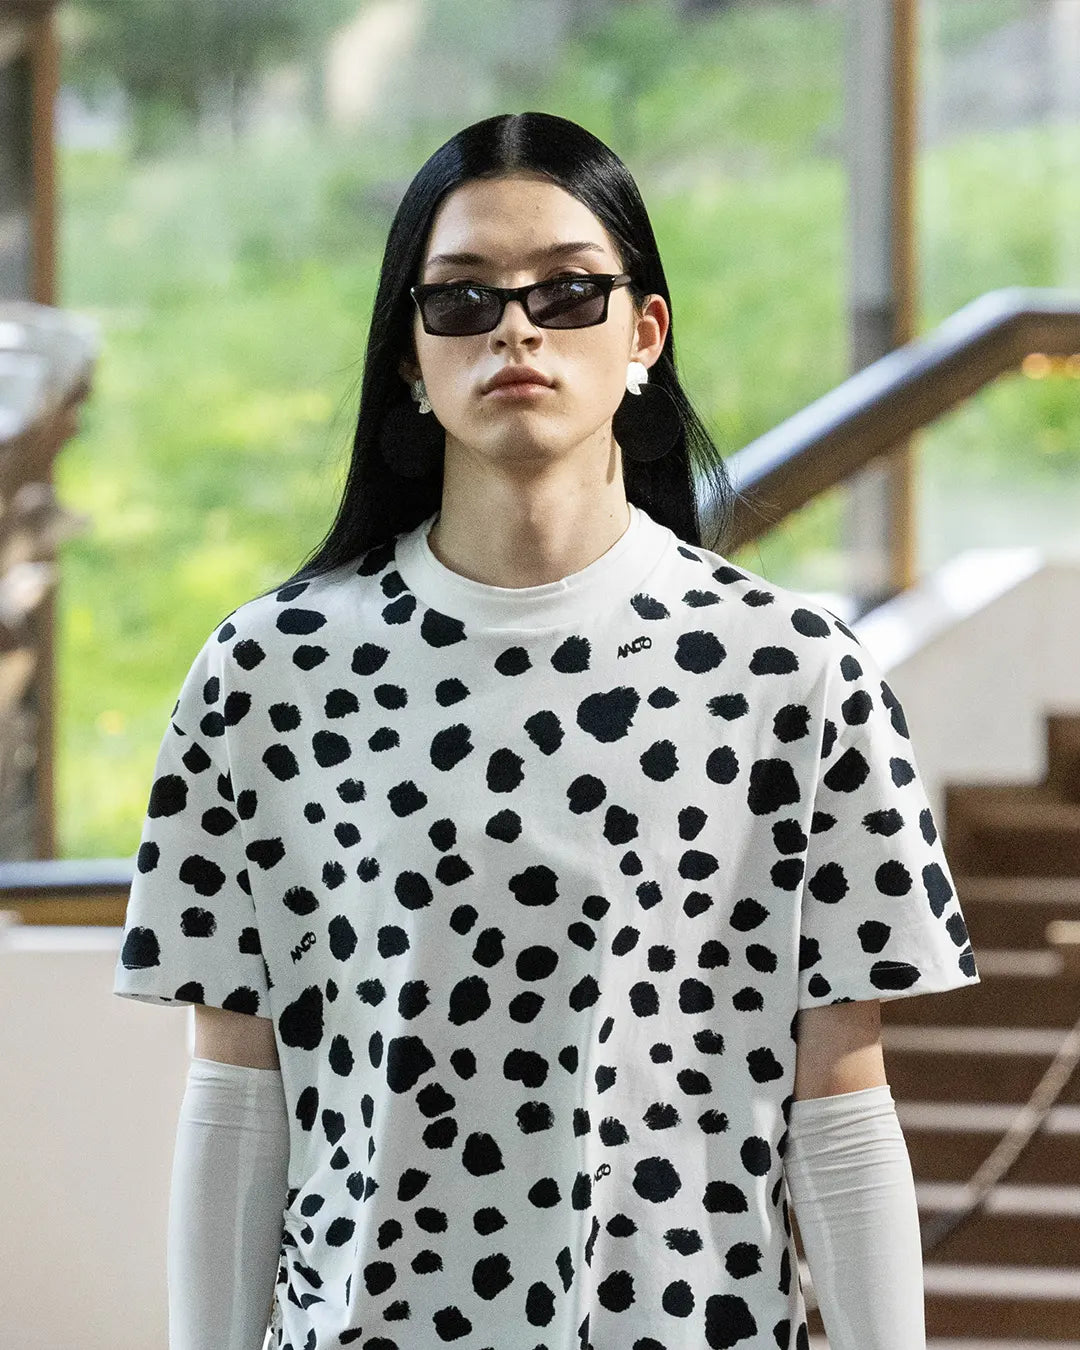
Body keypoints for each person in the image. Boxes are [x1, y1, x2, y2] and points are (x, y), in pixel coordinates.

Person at [113, 110, 980, 1350]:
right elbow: (239, 1100)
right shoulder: (267, 677)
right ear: (409, 357)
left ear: (645, 333)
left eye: (568, 291)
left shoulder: (795, 675)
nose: (516, 328)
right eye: (462, 299)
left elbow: (841, 1112)